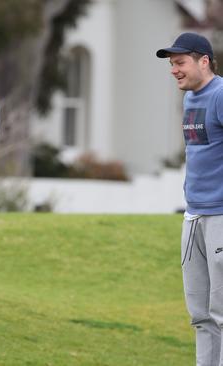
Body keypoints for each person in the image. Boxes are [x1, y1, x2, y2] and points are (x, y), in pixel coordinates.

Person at [157, 32, 223, 365]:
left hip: (221, 218)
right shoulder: (190, 99)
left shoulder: (221, 95)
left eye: (180, 62)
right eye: (172, 64)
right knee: (200, 315)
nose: (174, 70)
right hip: (193, 216)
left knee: (222, 312)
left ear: (204, 61)